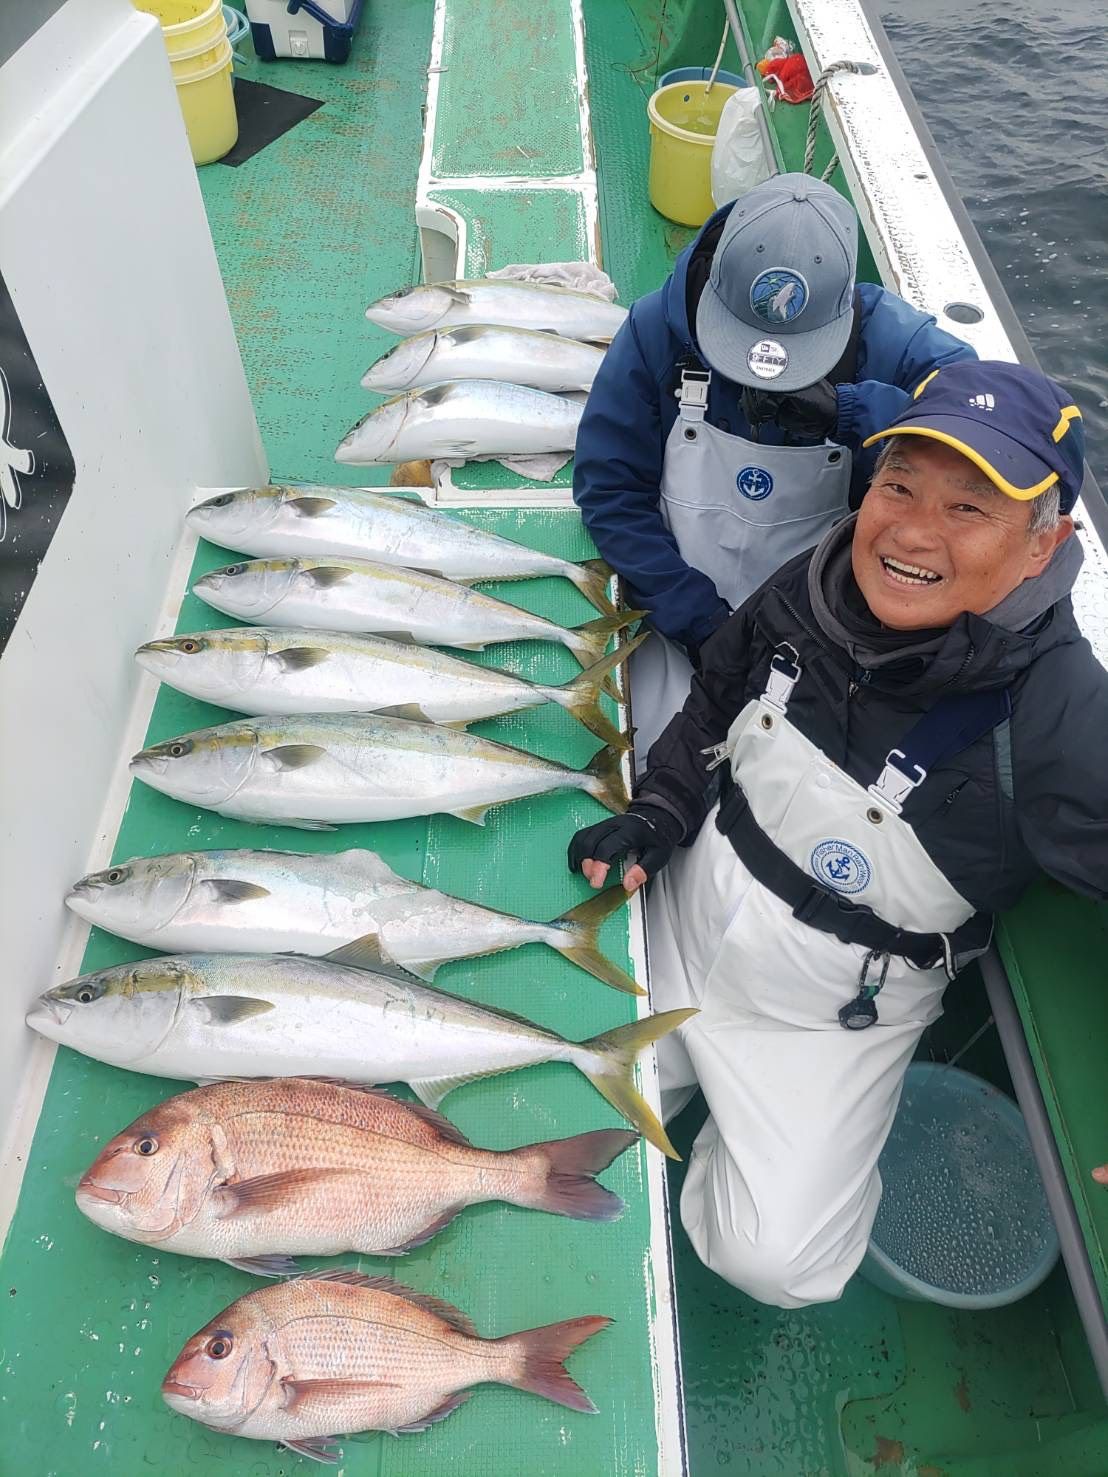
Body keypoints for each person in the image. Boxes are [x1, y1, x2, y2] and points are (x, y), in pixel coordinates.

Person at [569, 360, 1104, 1308]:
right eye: (899, 485)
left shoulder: (1063, 718)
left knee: (776, 1261)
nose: (912, 531)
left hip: (828, 1007)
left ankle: (773, 1129)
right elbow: (717, 696)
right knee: (560, 1097)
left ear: (1044, 545)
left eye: (968, 508)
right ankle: (699, 1097)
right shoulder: (817, 578)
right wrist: (661, 812)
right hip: (691, 906)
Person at [573, 173, 977, 764]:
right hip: (676, 611)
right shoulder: (654, 329)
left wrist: (855, 412)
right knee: (652, 758)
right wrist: (700, 624)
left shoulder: (897, 343)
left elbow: (1000, 428)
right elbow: (611, 489)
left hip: (830, 629)